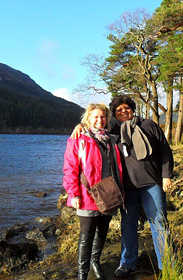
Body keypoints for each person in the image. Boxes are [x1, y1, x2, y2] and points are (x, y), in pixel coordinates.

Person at [71, 95, 174, 278]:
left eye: (126, 108)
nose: (123, 111)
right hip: (126, 188)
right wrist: (79, 127)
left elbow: (165, 150)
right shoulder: (113, 131)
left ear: (132, 109)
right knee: (128, 224)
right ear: (114, 114)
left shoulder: (148, 125)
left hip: (151, 183)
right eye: (118, 110)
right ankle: (127, 263)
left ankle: (166, 265)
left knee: (159, 222)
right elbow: (93, 132)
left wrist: (166, 176)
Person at [63, 103, 123, 280]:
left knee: (102, 232)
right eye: (95, 117)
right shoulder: (78, 139)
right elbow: (70, 168)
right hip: (87, 195)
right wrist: (73, 193)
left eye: (103, 117)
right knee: (86, 235)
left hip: (109, 193)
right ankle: (82, 273)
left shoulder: (112, 139)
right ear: (88, 118)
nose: (99, 120)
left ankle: (95, 262)